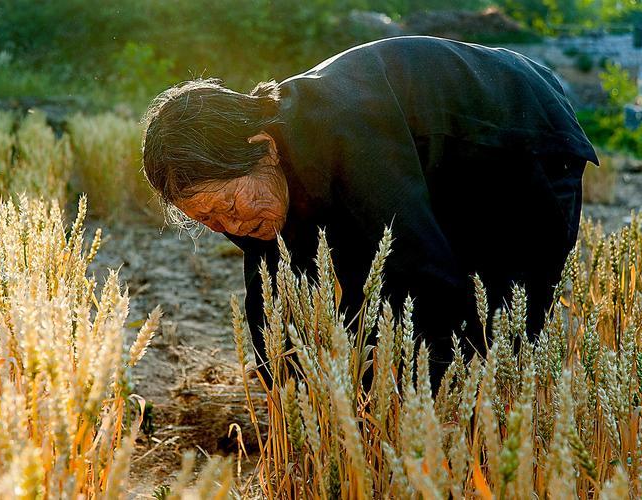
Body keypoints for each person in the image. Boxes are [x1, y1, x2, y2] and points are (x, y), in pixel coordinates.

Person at [141, 36, 598, 383]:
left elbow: (419, 274)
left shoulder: (344, 133)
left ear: (263, 148)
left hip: (519, 137)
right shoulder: (255, 184)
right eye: (208, 220)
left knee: (497, 335)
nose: (231, 225)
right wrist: (293, 392)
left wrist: (374, 401)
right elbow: (273, 299)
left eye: (227, 206)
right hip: (431, 164)